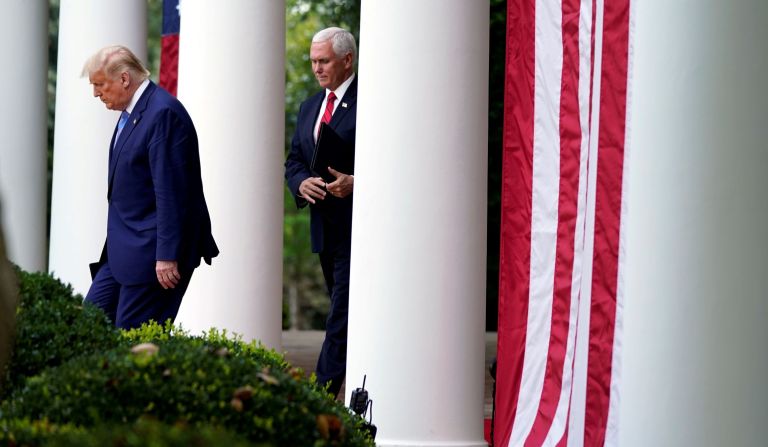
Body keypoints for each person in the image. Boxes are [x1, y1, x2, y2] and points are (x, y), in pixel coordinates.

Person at [82, 45, 218, 330]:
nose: (95, 93)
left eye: (99, 84)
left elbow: (171, 193)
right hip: (123, 250)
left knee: (133, 342)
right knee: (87, 325)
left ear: (123, 79)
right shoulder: (132, 111)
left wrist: (167, 256)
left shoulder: (163, 114)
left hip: (154, 255)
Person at [285, 27, 357, 398]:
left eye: (323, 60)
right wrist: (300, 183)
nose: (316, 68)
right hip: (323, 230)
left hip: (359, 231)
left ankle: (319, 398)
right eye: (313, 61)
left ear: (347, 60)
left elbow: (395, 163)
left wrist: (356, 181)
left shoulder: (371, 100)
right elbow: (295, 160)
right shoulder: (309, 107)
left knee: (340, 317)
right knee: (343, 312)